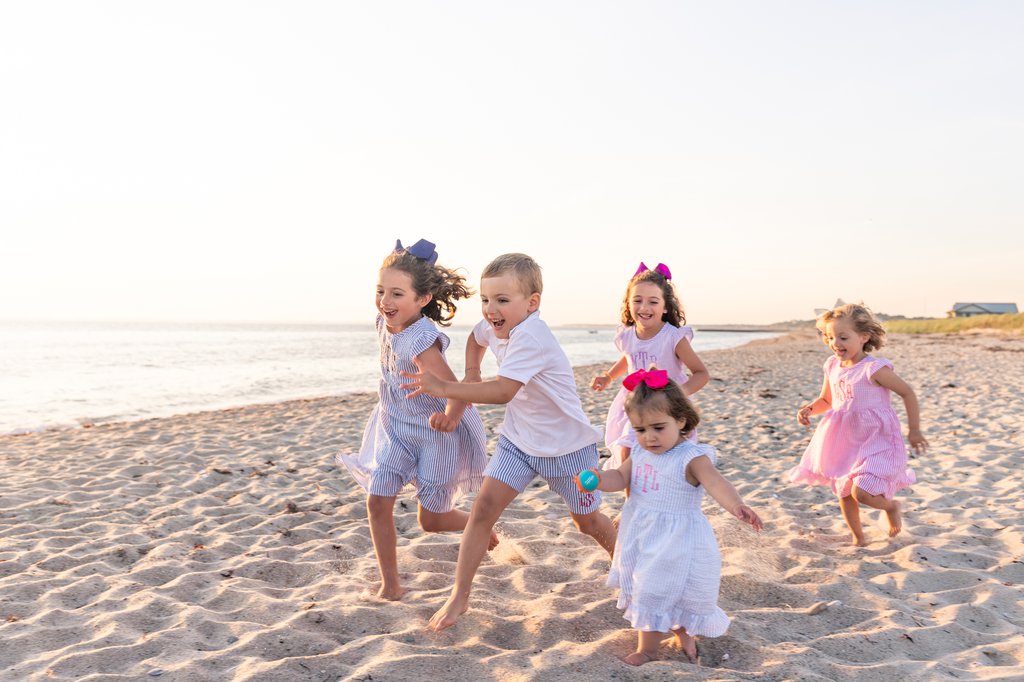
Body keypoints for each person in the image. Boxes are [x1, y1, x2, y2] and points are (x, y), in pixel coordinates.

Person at [399, 253, 617, 631]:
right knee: (483, 510)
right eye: (485, 300)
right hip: (518, 442)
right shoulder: (496, 327)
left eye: (502, 300)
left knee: (588, 521)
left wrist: (447, 388)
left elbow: (503, 392)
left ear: (532, 304)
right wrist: (470, 373)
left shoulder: (532, 336)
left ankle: (628, 567)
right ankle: (459, 596)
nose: (490, 310)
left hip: (566, 448)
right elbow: (474, 338)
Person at [578, 368, 763, 666]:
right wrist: (598, 478)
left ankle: (649, 650)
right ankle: (682, 633)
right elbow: (619, 479)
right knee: (651, 586)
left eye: (658, 427)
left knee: (654, 588)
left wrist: (736, 505)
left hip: (676, 540)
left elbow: (717, 483)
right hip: (642, 532)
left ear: (681, 420)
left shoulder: (692, 457)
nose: (649, 437)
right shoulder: (638, 454)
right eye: (640, 430)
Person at [337, 239, 489, 601]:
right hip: (395, 427)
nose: (386, 301)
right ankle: (391, 585)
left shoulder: (421, 340)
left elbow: (453, 386)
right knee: (377, 500)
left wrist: (451, 418)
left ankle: (483, 528)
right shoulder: (384, 322)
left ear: (422, 299)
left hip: (433, 431)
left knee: (432, 521)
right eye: (381, 291)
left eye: (397, 294)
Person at [789, 303, 928, 546]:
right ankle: (858, 537)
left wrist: (914, 430)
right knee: (844, 490)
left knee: (861, 491)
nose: (835, 343)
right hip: (844, 438)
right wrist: (809, 409)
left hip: (877, 438)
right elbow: (827, 399)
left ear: (864, 337)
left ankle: (891, 505)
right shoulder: (832, 365)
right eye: (830, 337)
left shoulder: (873, 369)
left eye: (843, 337)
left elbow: (907, 393)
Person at [590, 262, 709, 472]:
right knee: (627, 446)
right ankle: (630, 498)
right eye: (637, 300)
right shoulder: (627, 335)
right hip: (636, 402)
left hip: (668, 406)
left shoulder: (673, 337)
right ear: (628, 303)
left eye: (653, 302)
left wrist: (676, 395)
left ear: (665, 307)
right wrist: (608, 377)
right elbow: (629, 358)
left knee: (669, 454)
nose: (644, 308)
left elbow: (701, 374)